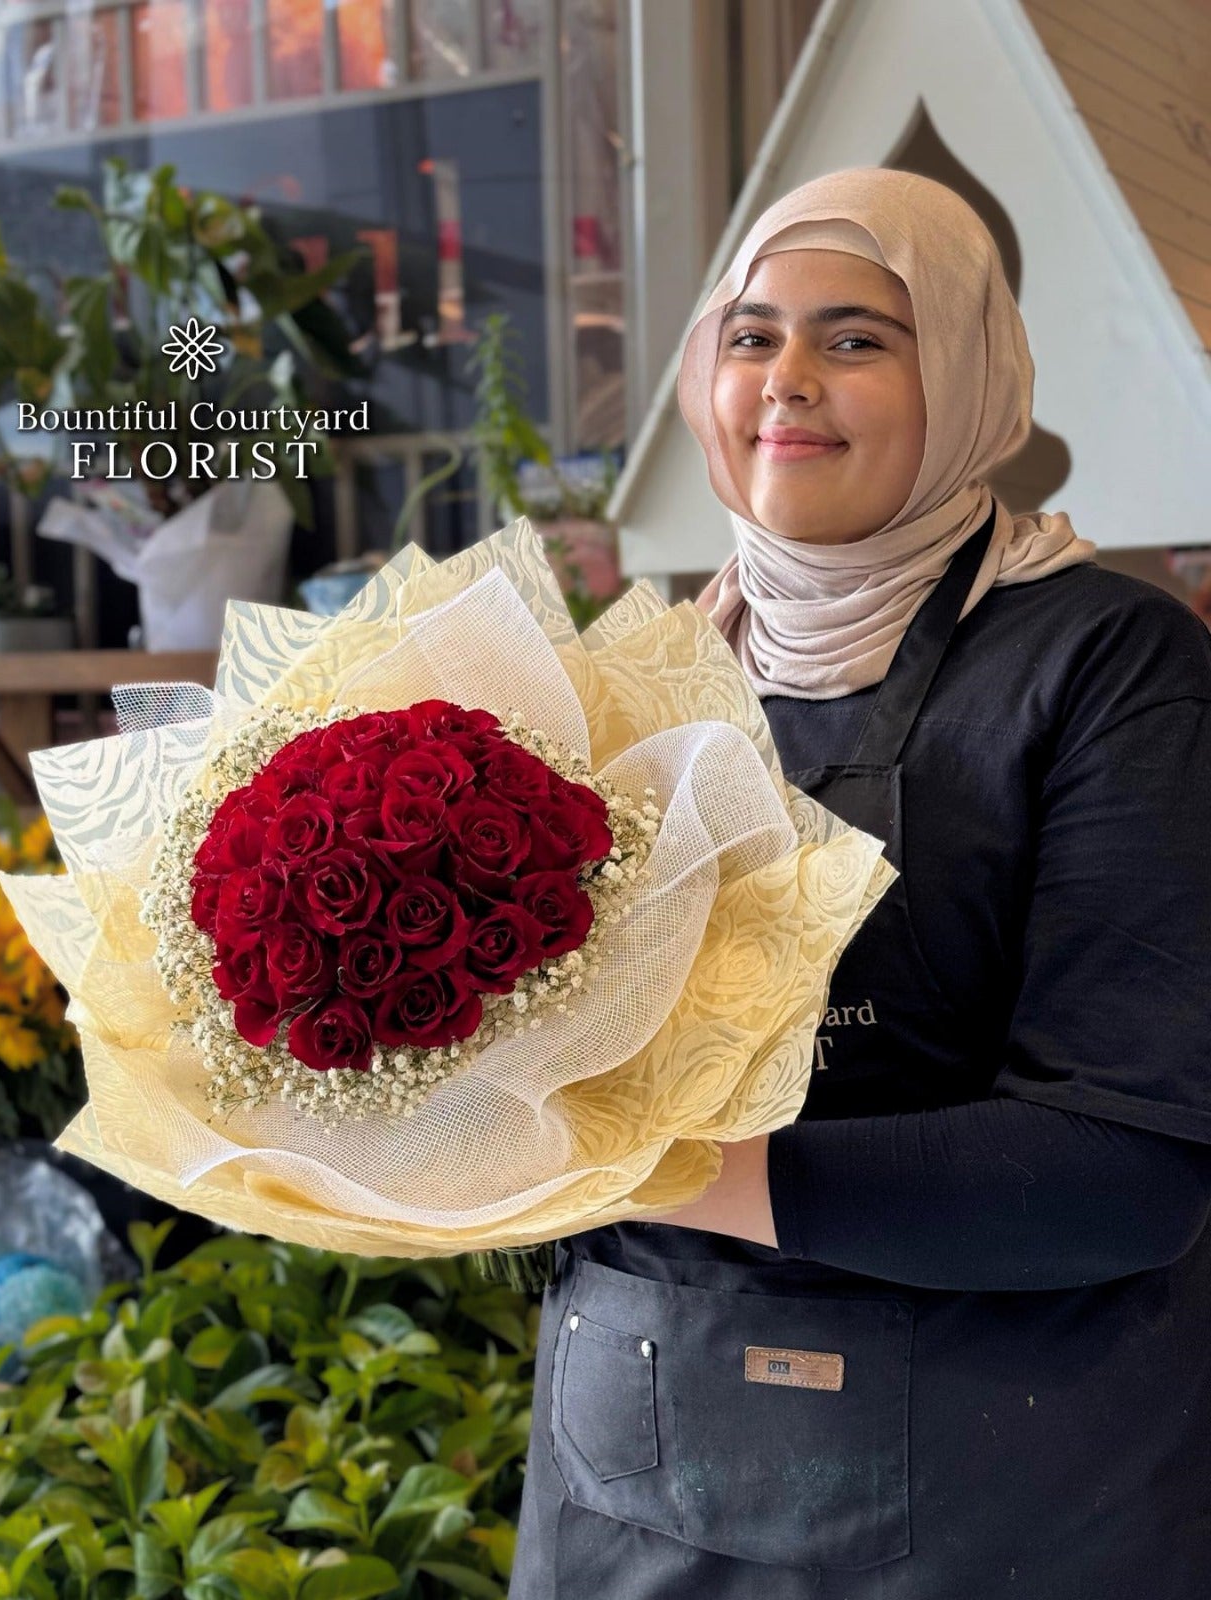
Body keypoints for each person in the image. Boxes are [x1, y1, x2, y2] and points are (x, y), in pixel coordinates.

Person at [508, 167, 1211, 1599]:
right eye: (755, 335)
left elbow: (1122, 1174)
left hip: (996, 1502)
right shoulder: (629, 674)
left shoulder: (1109, 666)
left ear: (964, 369)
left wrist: (656, 1169)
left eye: (857, 338)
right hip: (628, 1479)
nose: (789, 381)